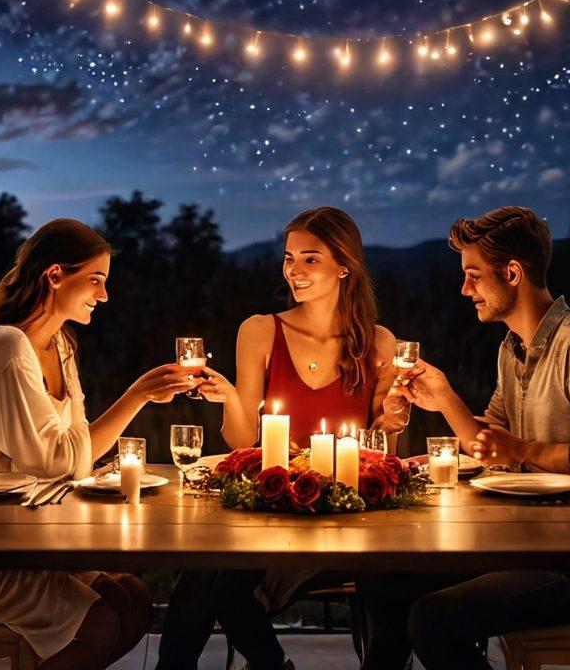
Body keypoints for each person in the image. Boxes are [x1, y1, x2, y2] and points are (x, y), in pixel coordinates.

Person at [361, 206, 570, 670]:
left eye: (473, 276)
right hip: (527, 541)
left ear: (512, 273)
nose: (464, 289)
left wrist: (521, 450)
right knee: (383, 579)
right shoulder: (513, 349)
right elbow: (488, 443)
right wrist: (444, 400)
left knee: (434, 619)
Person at [0, 218, 196, 670]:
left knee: (132, 599)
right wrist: (136, 396)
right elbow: (53, 462)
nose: (104, 295)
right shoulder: (7, 345)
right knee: (101, 624)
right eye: (95, 280)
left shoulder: (59, 344)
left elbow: (76, 451)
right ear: (55, 275)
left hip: (25, 541)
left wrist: (138, 401)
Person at [156, 206, 406, 670]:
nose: (294, 270)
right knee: (209, 577)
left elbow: (380, 448)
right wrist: (231, 399)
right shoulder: (260, 331)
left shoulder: (378, 342)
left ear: (345, 265)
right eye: (289, 258)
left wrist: (392, 421)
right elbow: (242, 443)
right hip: (272, 507)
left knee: (391, 586)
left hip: (348, 515)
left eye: (310, 259)